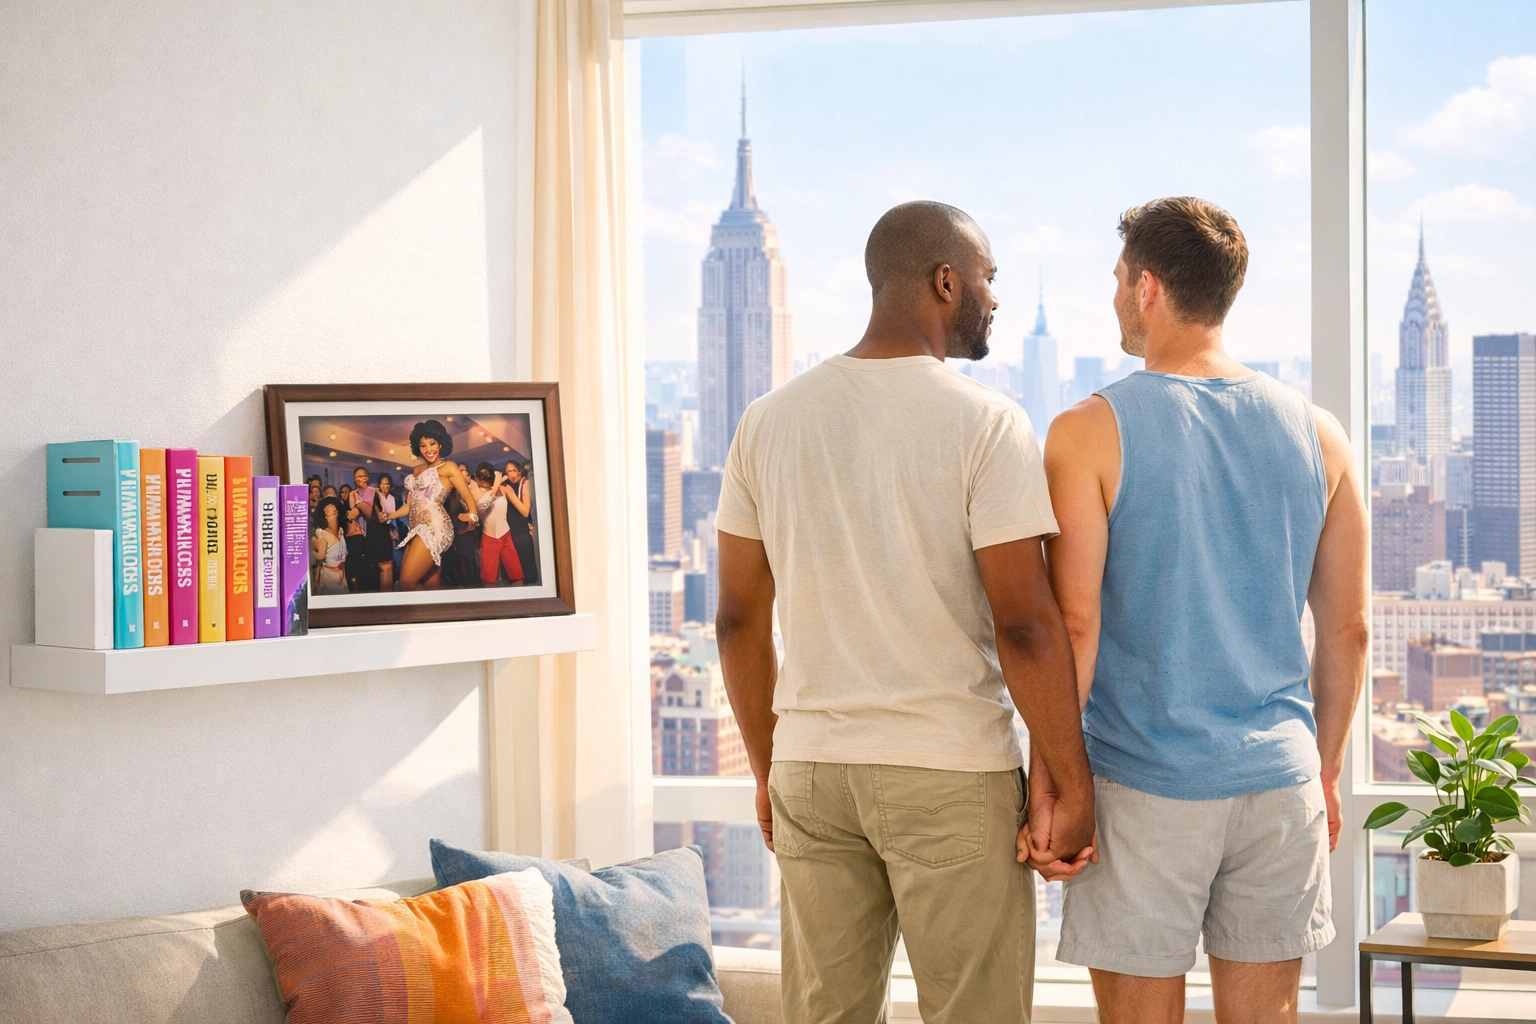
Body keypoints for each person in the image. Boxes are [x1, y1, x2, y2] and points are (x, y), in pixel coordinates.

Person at [714, 201, 1095, 1024]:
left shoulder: (766, 422)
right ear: (945, 280)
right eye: (987, 277)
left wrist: (768, 767)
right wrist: (1070, 779)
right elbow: (1025, 624)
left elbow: (738, 621)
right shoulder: (986, 421)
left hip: (812, 772)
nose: (991, 296)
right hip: (948, 773)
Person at [1040, 197, 1369, 1024]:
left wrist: (1052, 782)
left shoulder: (1087, 432)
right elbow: (1348, 630)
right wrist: (1322, 768)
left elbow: (1075, 628)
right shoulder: (1322, 434)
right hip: (1281, 781)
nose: (1115, 296)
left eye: (1118, 279)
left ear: (1147, 287)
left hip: (1145, 786)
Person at [397, 419, 480, 591]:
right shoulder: (421, 470)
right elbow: (411, 503)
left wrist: (471, 515)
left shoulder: (448, 467)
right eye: (423, 445)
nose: (428, 450)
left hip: (433, 527)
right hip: (416, 528)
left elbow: (467, 495)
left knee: (406, 582)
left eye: (432, 444)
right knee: (430, 584)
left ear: (441, 444)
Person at [470, 463, 524, 586]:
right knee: (489, 582)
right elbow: (482, 506)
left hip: (506, 537)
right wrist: (496, 484)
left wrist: (500, 481)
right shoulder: (474, 490)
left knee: (517, 576)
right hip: (489, 540)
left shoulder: (503, 489)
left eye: (488, 478)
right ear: (477, 479)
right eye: (482, 479)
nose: (485, 482)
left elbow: (523, 510)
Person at [502, 460, 538, 587]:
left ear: (519, 471)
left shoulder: (525, 484)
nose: (510, 474)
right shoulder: (508, 486)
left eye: (512, 470)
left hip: (522, 531)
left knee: (526, 567)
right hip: (512, 530)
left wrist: (510, 494)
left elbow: (525, 511)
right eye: (507, 471)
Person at [344, 467, 378, 593]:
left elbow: (370, 514)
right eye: (358, 476)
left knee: (373, 569)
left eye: (363, 475)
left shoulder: (374, 491)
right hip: (359, 536)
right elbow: (351, 510)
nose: (361, 478)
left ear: (367, 478)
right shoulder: (353, 494)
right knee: (361, 570)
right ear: (354, 479)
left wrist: (358, 507)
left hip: (374, 533)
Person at [311, 496, 348, 596]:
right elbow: (320, 555)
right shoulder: (322, 534)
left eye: (332, 505)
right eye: (327, 508)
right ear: (325, 517)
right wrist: (312, 554)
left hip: (342, 575)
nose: (330, 506)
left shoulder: (341, 531)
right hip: (329, 577)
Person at [372, 472, 400, 592]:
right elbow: (380, 517)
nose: (385, 486)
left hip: (392, 531)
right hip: (380, 532)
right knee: (384, 565)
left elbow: (396, 516)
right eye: (383, 483)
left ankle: (390, 590)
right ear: (379, 485)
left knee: (392, 563)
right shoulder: (376, 496)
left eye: (387, 483)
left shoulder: (394, 498)